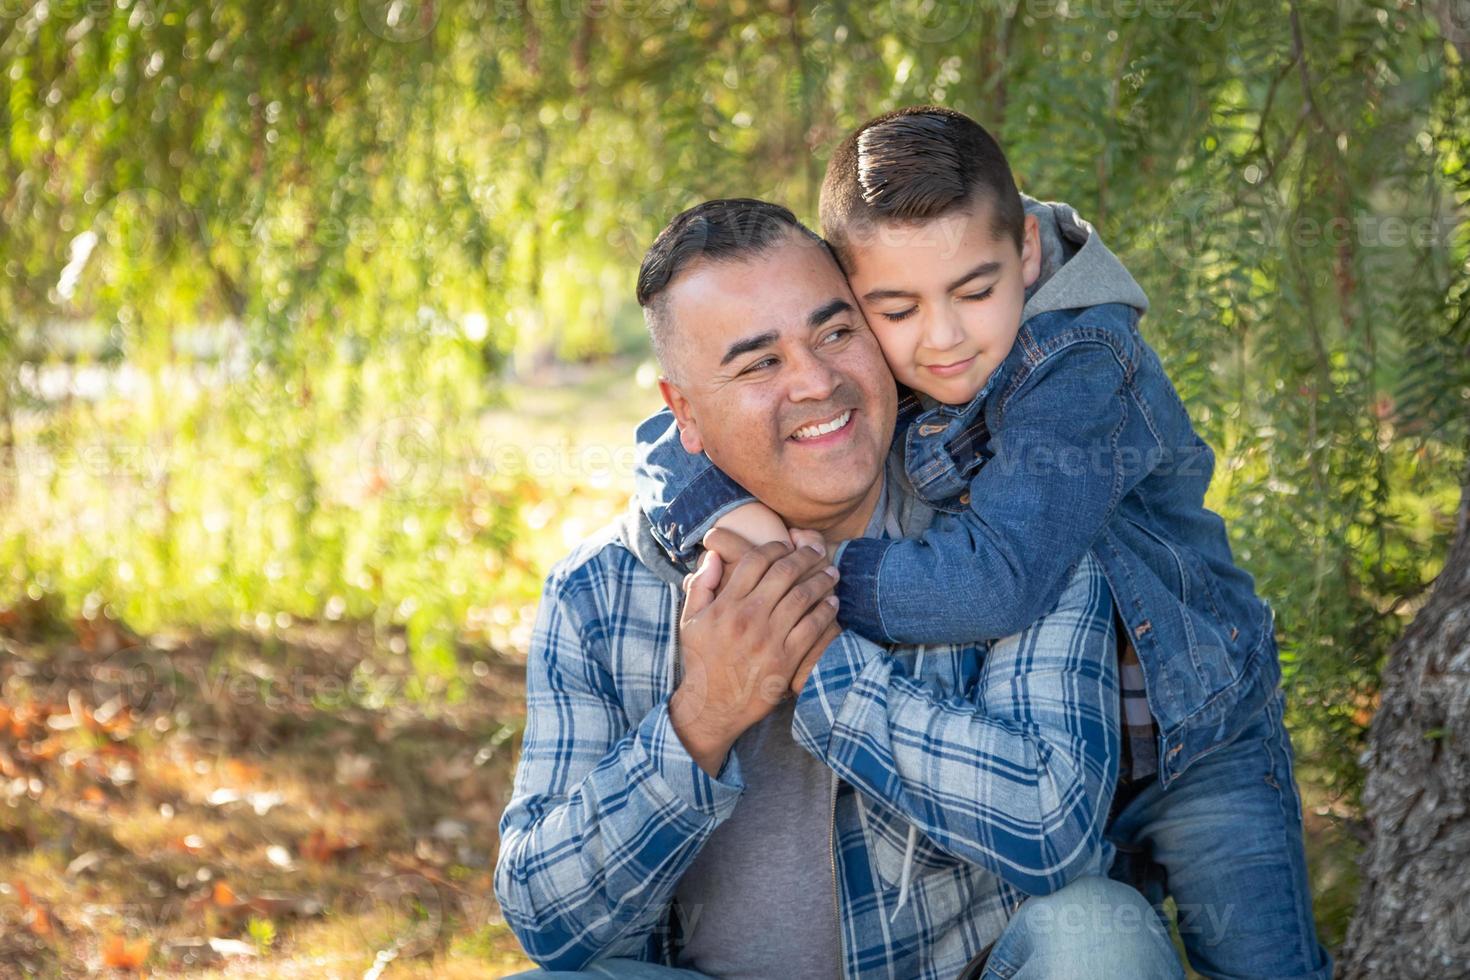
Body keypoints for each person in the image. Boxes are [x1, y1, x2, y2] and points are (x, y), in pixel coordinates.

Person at [633, 107, 1332, 980]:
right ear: (853, 298)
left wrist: (801, 580)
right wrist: (724, 517)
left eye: (974, 290)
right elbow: (678, 429)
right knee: (1103, 938)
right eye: (893, 309)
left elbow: (996, 580)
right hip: (1075, 751)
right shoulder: (878, 346)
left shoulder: (1080, 365)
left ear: (1029, 254)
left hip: (1200, 738)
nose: (943, 337)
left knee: (1263, 964)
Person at [496, 199, 1184, 979]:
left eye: (835, 332)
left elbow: (1054, 829)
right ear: (683, 412)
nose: (817, 382)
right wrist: (706, 713)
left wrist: (823, 664)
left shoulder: (1010, 538)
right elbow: (547, 925)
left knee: (1099, 934)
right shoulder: (602, 590)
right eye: (759, 363)